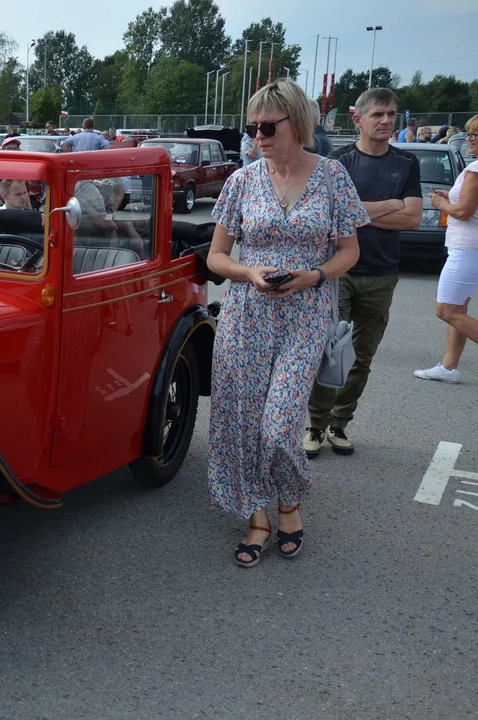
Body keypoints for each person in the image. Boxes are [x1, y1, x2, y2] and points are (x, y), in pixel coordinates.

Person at [206, 79, 366, 567]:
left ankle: (290, 503)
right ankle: (258, 518)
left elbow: (350, 251)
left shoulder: (333, 176)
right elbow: (216, 257)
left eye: (267, 126)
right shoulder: (241, 181)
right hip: (246, 315)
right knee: (242, 421)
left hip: (305, 314)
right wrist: (249, 272)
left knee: (278, 426)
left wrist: (313, 275)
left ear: (297, 124)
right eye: (252, 126)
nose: (258, 135)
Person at [305, 87, 421, 457]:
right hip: (339, 270)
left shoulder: (406, 163)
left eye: (391, 114)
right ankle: (315, 424)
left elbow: (414, 218)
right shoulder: (338, 162)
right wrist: (390, 205)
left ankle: (340, 423)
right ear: (359, 119)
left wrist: (358, 211)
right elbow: (333, 215)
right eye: (378, 114)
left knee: (361, 356)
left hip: (382, 273)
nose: (386, 120)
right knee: (328, 352)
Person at [414, 116, 478, 383]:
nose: (469, 139)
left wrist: (443, 205)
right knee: (458, 311)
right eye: (469, 134)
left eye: (475, 135)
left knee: (446, 311)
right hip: (469, 248)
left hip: (466, 248)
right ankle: (449, 367)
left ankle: (449, 367)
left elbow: (463, 211)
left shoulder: (476, 169)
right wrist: (449, 196)